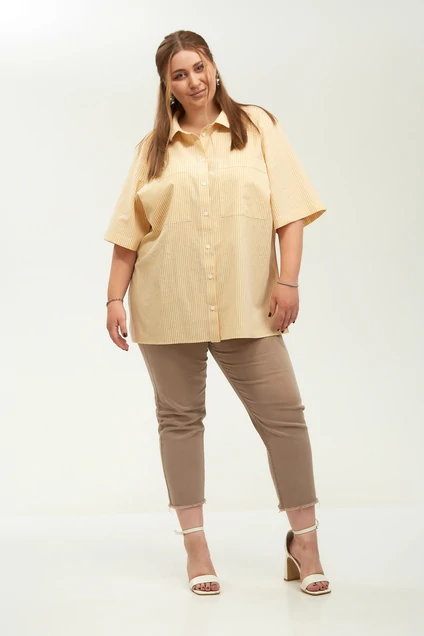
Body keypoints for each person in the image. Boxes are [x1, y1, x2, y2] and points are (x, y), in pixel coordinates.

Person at [104, 29, 331, 597]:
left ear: (214, 67)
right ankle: (196, 547)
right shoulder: (152, 149)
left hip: (249, 304)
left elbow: (291, 214)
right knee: (179, 422)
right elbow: (129, 234)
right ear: (167, 87)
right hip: (167, 305)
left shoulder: (258, 127)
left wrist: (288, 281)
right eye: (179, 75)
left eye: (199, 67)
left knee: (285, 416)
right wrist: (113, 299)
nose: (193, 81)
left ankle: (305, 543)